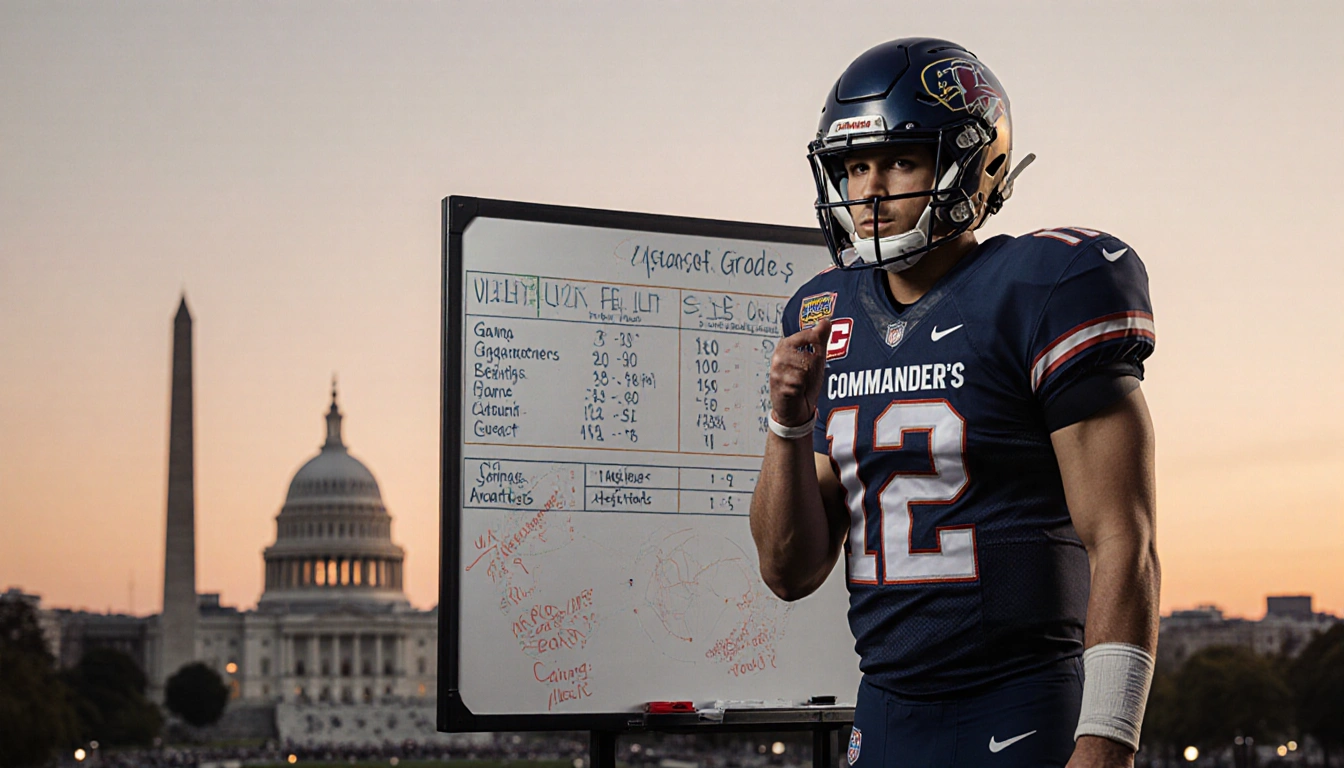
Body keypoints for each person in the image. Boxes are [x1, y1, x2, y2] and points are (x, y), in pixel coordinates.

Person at [748, 38, 1159, 768]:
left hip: (1024, 702)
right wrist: (787, 424)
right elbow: (790, 571)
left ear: (977, 165)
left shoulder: (1043, 288)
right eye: (854, 165)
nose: (870, 190)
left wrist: (1108, 736)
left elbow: (1124, 539)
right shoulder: (822, 313)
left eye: (900, 160)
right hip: (884, 708)